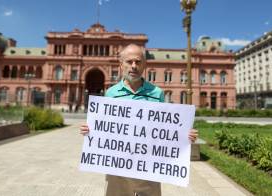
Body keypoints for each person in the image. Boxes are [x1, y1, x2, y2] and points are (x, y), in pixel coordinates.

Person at [80, 44, 198, 196]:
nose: (134, 66)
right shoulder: (110, 94)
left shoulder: (157, 93)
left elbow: (166, 129)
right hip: (118, 168)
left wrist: (184, 135)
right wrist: (90, 130)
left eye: (138, 62)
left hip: (148, 167)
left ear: (144, 65)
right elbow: (104, 127)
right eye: (129, 62)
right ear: (121, 65)